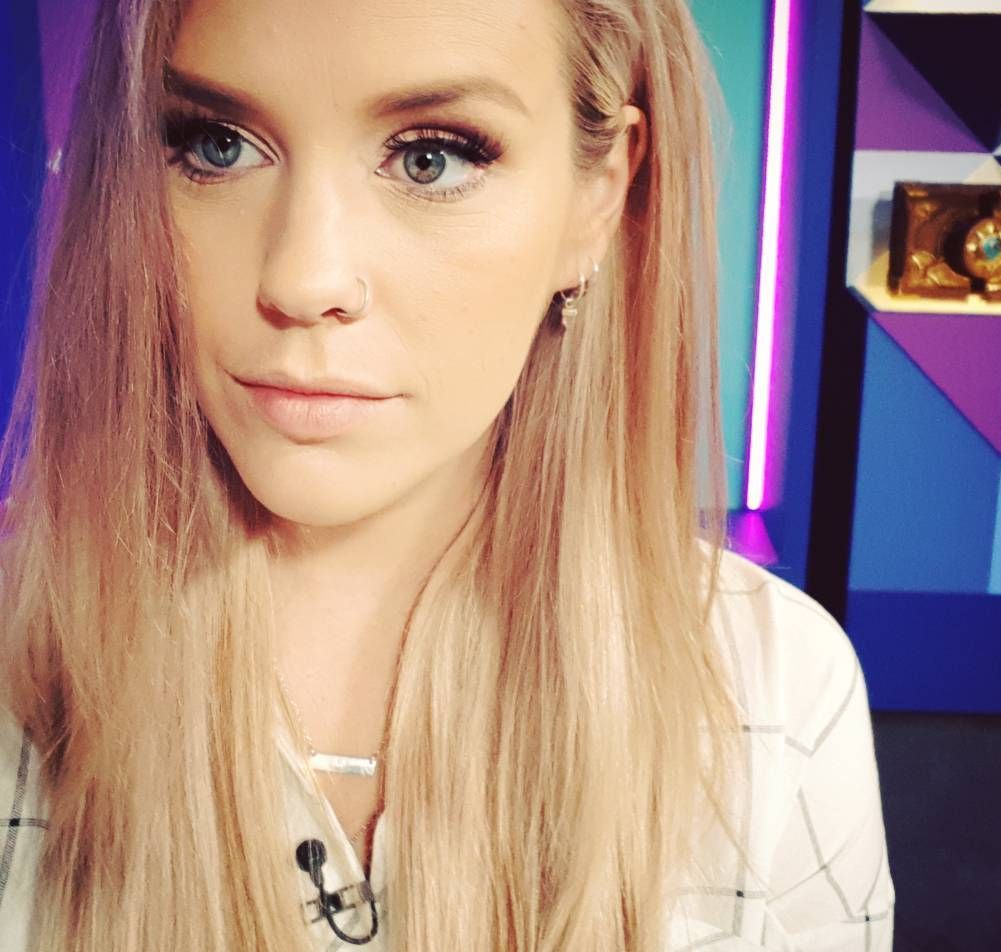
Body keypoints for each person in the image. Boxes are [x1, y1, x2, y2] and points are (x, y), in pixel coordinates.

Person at [0, 0, 895, 949]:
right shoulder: (23, 657)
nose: (302, 279)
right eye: (217, 146)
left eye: (432, 157)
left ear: (597, 195)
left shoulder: (773, 696)